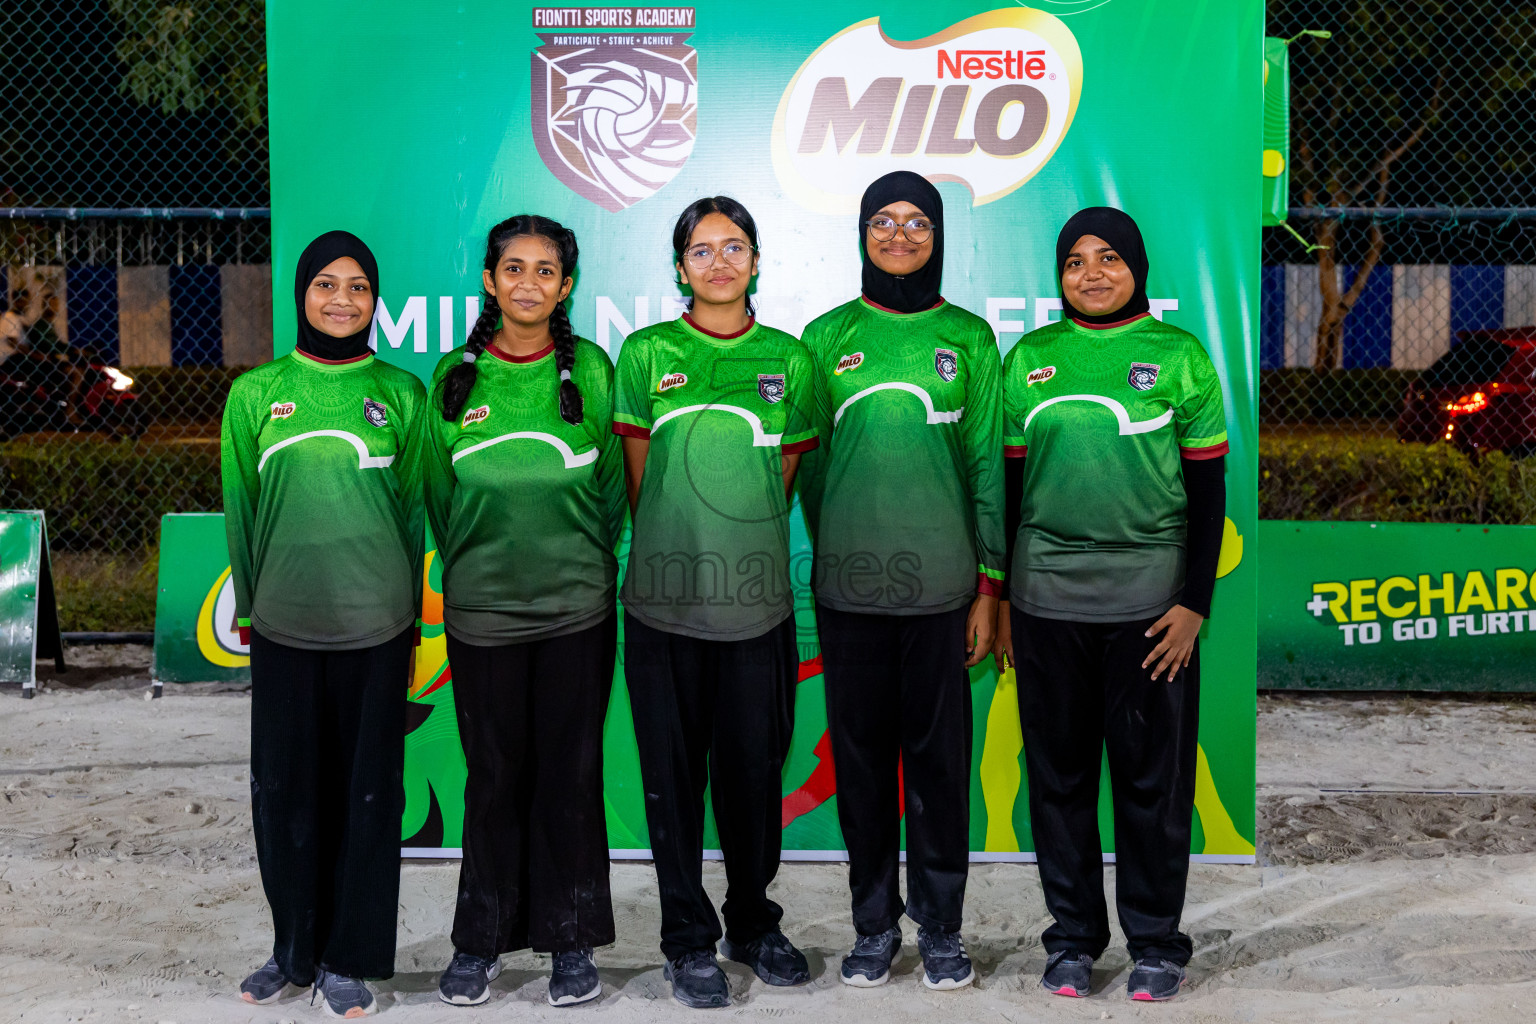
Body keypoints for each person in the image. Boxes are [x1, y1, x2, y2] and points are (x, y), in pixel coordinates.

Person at [995, 207, 1228, 1003]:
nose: (1091, 274)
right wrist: (1002, 600)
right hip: (1046, 603)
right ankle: (1072, 942)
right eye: (1074, 263)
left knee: (1150, 784)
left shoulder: (1179, 357)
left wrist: (1195, 603)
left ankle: (1157, 943)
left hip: (1151, 611)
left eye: (1108, 259)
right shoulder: (1029, 359)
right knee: (1057, 781)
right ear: (1057, 275)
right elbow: (1010, 494)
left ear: (1137, 267)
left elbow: (1208, 494)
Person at [798, 171, 1004, 991]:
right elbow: (810, 470)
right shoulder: (823, 336)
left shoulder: (973, 340)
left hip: (944, 595)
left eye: (918, 222)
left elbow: (987, 467)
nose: (900, 235)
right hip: (850, 594)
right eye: (883, 220)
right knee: (861, 767)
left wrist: (990, 585)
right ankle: (874, 925)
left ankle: (943, 928)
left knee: (939, 769)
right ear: (862, 232)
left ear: (939, 235)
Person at [613, 196, 818, 1009]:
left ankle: (753, 921)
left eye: (735, 248)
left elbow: (784, 478)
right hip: (663, 613)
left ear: (758, 261)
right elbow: (641, 481)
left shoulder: (790, 362)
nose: (720, 262)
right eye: (702, 250)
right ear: (679, 267)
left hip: (757, 610)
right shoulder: (645, 353)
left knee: (751, 779)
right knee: (671, 782)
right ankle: (686, 939)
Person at [222, 230, 426, 1018]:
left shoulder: (400, 394)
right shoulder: (255, 394)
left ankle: (349, 956)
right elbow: (242, 514)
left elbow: (414, 516)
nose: (342, 299)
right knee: (285, 793)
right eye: (326, 285)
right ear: (301, 294)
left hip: (376, 628)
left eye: (359, 287)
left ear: (377, 302)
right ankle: (293, 951)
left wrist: (406, 619)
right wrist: (255, 604)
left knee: (368, 796)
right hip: (284, 627)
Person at [423, 215, 624, 1008]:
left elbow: (614, 497)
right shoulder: (452, 380)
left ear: (566, 286)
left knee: (569, 779)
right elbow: (441, 501)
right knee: (494, 779)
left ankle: (570, 942)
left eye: (546, 271)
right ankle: (480, 942)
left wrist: (577, 567)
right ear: (489, 281)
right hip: (483, 619)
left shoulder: (595, 373)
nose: (530, 284)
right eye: (515, 269)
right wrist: (484, 569)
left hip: (577, 613)